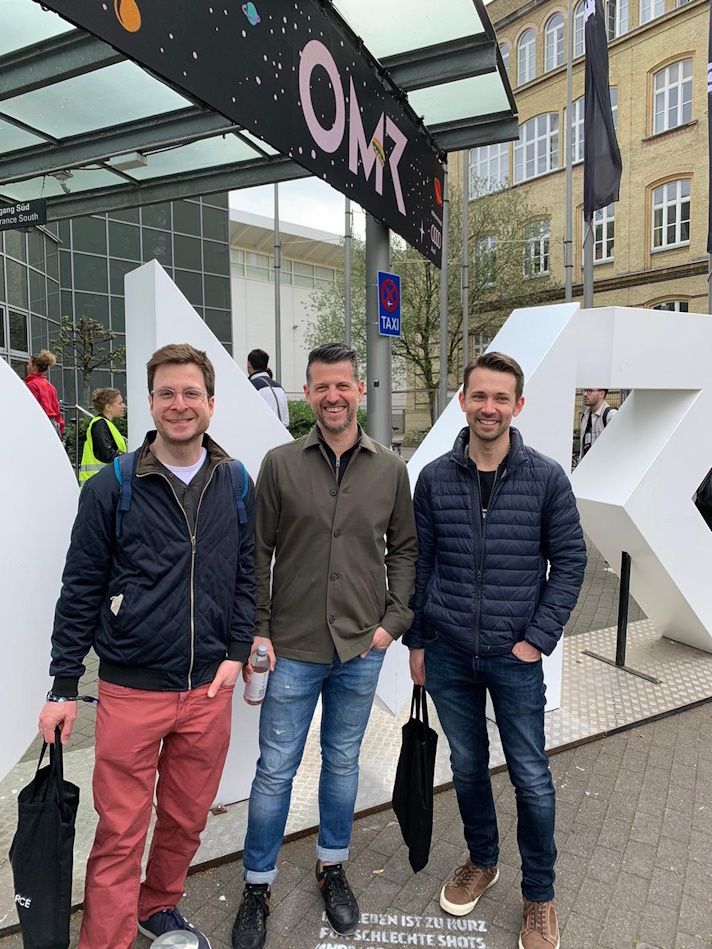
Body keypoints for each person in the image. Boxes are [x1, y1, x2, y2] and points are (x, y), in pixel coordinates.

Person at [37, 343, 256, 949]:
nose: (179, 405)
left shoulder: (236, 480)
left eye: (191, 393)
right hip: (131, 690)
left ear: (211, 403)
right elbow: (79, 588)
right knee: (120, 832)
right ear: (149, 403)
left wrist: (236, 652)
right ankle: (105, 939)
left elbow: (247, 574)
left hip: (207, 689)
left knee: (186, 821)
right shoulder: (114, 486)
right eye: (166, 393)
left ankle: (158, 906)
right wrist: (62, 686)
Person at [232, 342, 417, 949]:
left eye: (343, 385)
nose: (332, 396)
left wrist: (392, 622)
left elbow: (406, 551)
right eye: (321, 387)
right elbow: (256, 552)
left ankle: (331, 866)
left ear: (359, 391)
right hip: (291, 646)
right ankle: (257, 884)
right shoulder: (279, 464)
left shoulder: (390, 470)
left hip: (361, 649)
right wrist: (260, 627)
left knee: (342, 764)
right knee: (275, 770)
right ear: (306, 394)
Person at [405, 352, 586, 949]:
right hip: (450, 651)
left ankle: (540, 895)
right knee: (465, 764)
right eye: (479, 396)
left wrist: (538, 639)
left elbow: (571, 563)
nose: (489, 408)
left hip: (515, 657)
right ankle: (483, 859)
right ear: (463, 400)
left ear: (518, 405)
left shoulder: (546, 477)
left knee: (531, 775)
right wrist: (418, 640)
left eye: (500, 398)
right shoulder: (433, 478)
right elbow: (420, 564)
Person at [79, 387, 127, 484]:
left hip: (99, 481)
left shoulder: (103, 424)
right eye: (120, 403)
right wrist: (128, 458)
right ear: (108, 407)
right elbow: (106, 455)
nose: (124, 406)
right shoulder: (100, 424)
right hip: (99, 483)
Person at [25, 349, 65, 436]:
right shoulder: (51, 387)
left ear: (35, 366)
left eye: (29, 364)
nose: (27, 366)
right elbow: (56, 409)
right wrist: (61, 426)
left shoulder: (31, 385)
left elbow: (32, 409)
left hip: (40, 425)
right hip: (53, 424)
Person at [247, 348, 290, 426]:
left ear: (249, 365)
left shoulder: (251, 386)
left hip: (262, 435)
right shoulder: (279, 387)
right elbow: (285, 420)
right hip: (284, 435)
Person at [578, 388, 617, 460]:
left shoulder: (610, 416)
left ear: (601, 394)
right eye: (584, 390)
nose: (585, 394)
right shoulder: (585, 416)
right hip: (586, 468)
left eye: (589, 391)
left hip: (602, 467)